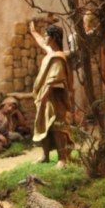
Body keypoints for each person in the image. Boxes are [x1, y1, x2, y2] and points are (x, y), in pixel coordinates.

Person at [30, 21, 73, 168]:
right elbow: (43, 44)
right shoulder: (51, 53)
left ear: (54, 38)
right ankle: (45, 155)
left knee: (57, 127)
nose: (44, 38)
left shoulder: (58, 57)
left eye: (46, 35)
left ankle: (62, 159)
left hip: (54, 98)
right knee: (44, 125)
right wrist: (33, 32)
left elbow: (54, 80)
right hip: (45, 98)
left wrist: (44, 97)